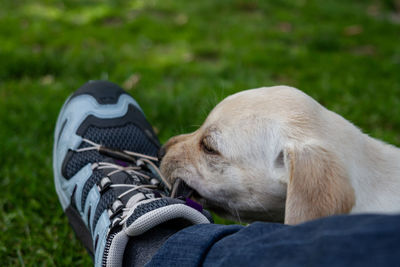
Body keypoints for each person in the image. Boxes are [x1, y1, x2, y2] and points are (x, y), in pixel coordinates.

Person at [53, 81, 400, 267]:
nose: (170, 150)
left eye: (210, 148)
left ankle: (152, 251)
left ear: (307, 193)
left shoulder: (316, 179)